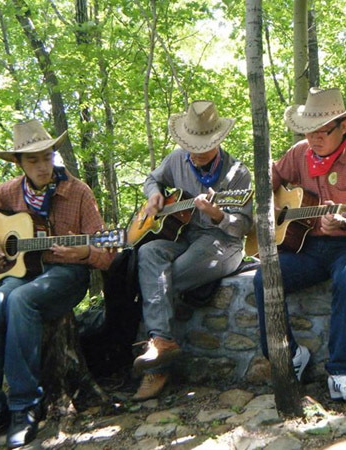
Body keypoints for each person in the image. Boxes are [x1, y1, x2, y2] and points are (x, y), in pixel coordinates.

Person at [0, 119, 114, 450]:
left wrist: (85, 250)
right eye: (33, 160)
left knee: (21, 300)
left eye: (47, 156)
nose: (42, 165)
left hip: (66, 275)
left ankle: (24, 408)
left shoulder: (78, 192)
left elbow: (107, 254)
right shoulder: (10, 191)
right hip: (24, 273)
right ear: (19, 163)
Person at [253, 87, 346, 402]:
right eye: (309, 131)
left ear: (343, 127)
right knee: (265, 277)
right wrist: (270, 207)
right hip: (306, 248)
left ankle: (342, 372)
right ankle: (291, 355)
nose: (314, 138)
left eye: (322, 131)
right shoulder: (299, 153)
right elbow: (266, 178)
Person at [132, 100, 253, 401]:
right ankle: (162, 342)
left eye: (202, 146)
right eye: (190, 145)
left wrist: (218, 215)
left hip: (221, 241)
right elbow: (152, 179)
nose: (195, 152)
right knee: (148, 254)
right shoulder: (176, 159)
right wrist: (154, 195)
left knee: (160, 279)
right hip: (184, 234)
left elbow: (243, 227)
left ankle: (157, 363)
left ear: (218, 140)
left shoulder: (238, 173)